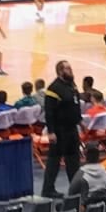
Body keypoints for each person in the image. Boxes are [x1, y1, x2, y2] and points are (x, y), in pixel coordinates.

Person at [41, 60, 81, 195]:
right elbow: (49, 112)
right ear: (60, 71)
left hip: (72, 130)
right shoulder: (53, 89)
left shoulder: (72, 85)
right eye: (67, 68)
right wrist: (51, 132)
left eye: (70, 68)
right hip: (59, 131)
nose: (70, 70)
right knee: (54, 161)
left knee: (74, 161)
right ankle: (47, 190)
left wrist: (80, 121)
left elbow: (75, 105)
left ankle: (75, 189)